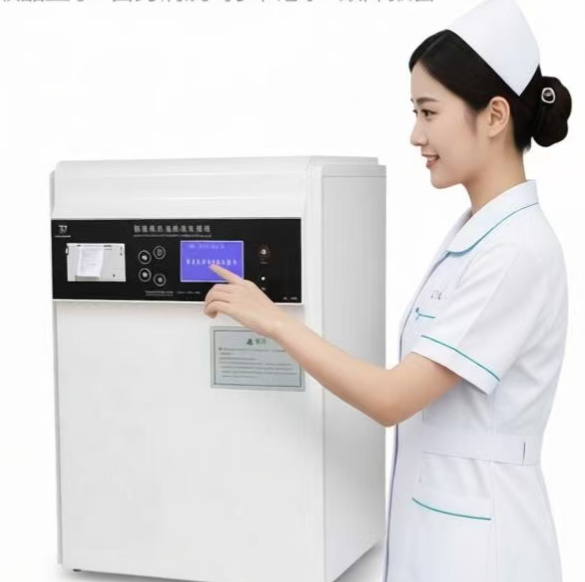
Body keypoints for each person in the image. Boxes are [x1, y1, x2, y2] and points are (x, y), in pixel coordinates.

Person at [203, 0, 572, 580]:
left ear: (495, 115)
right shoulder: (479, 236)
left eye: (429, 112)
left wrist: (273, 320)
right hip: (446, 527)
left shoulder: (515, 251)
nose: (416, 135)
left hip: (486, 552)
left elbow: (393, 398)